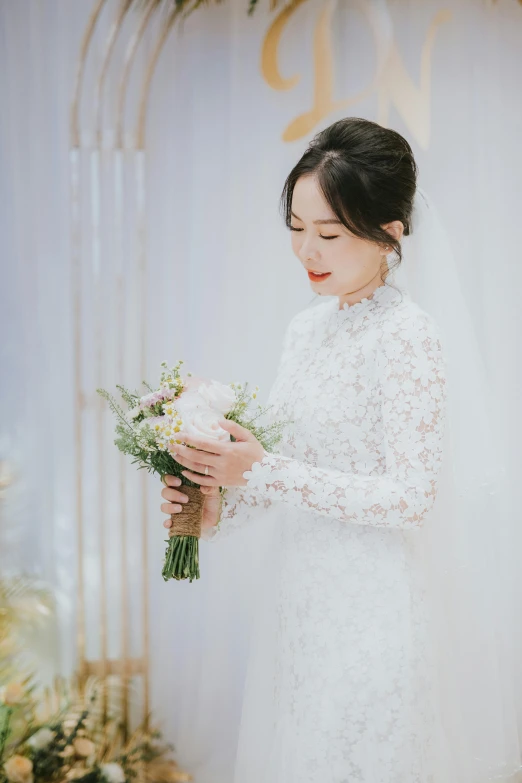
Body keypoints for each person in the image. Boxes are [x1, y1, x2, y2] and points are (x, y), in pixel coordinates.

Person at [159, 118, 521, 782]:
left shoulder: (409, 337)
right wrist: (214, 505)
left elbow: (411, 497)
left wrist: (261, 466)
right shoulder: (304, 330)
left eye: (328, 233)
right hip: (298, 607)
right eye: (296, 227)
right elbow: (283, 466)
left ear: (390, 235)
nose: (306, 250)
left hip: (372, 613)